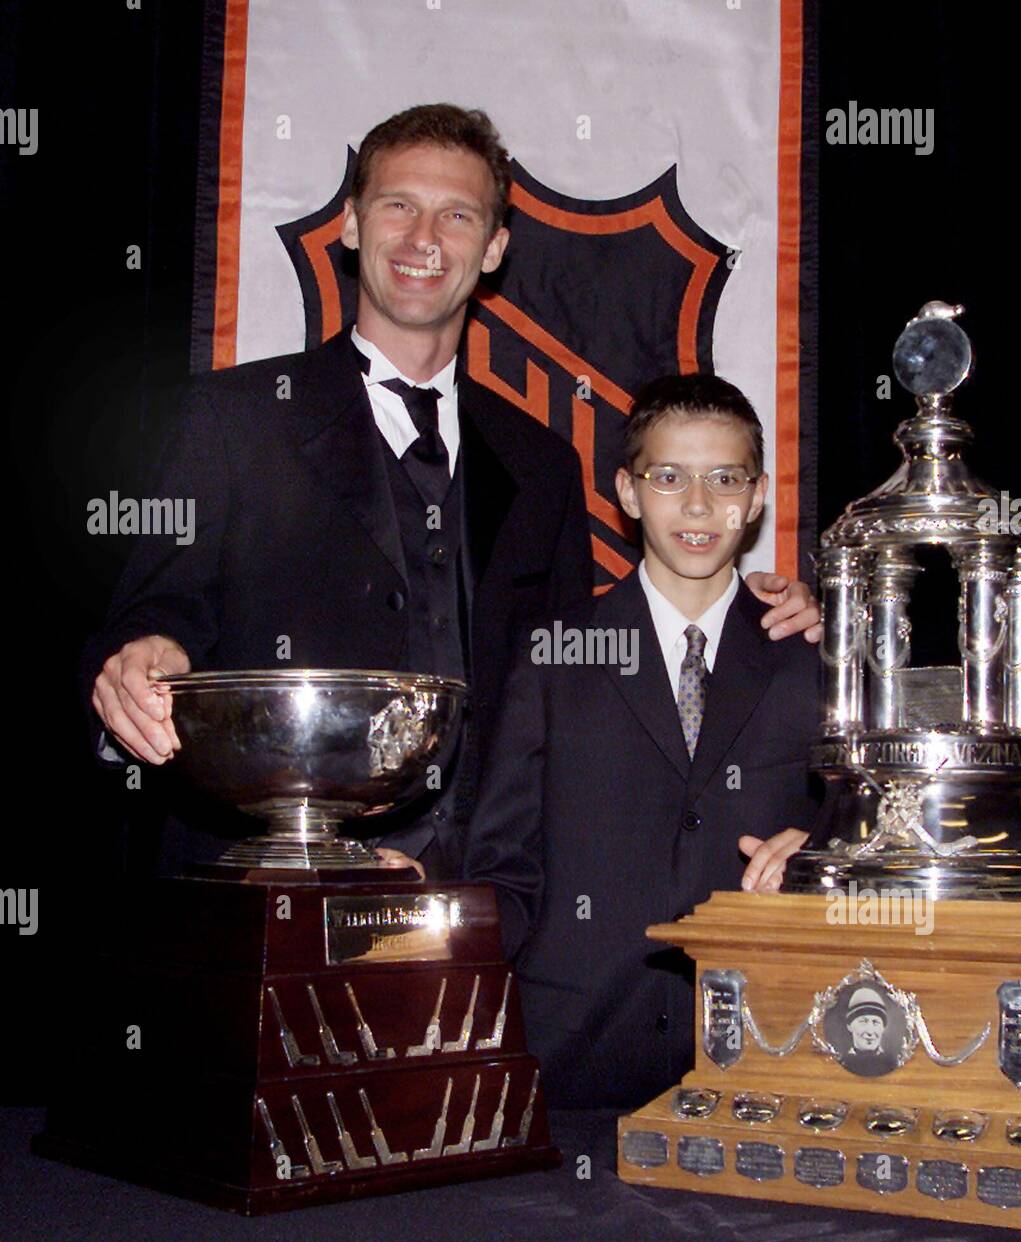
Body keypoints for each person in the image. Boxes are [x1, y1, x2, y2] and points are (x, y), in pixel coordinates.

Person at [86, 104, 821, 875]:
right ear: (350, 225)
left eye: (457, 215)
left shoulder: (540, 462)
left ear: (495, 247)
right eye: (398, 206)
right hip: (270, 894)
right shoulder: (233, 421)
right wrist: (139, 659)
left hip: (487, 904)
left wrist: (747, 619)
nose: (424, 239)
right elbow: (156, 614)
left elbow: (582, 675)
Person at [464, 374, 822, 1108]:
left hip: (766, 1059)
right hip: (571, 1062)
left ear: (757, 496)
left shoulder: (811, 659)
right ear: (627, 493)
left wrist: (822, 858)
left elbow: (867, 834)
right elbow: (504, 861)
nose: (698, 505)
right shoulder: (555, 654)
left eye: (725, 479)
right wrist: (426, 929)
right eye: (670, 478)